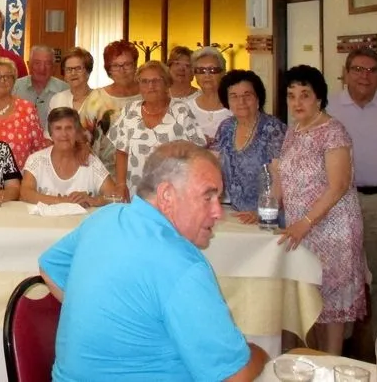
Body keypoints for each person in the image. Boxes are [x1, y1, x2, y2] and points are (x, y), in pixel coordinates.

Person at [38, 141, 268, 381]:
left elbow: (49, 268)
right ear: (167, 196)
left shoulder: (106, 217)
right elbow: (233, 376)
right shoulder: (182, 266)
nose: (218, 212)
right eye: (207, 197)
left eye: (219, 198)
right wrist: (260, 354)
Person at [276, 64, 366, 354]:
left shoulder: (333, 131)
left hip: (332, 229)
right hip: (303, 229)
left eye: (305, 95)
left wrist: (305, 221)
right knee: (310, 303)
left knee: (332, 305)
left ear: (319, 98)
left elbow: (338, 185)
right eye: (291, 95)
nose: (297, 102)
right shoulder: (295, 130)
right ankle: (313, 367)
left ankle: (334, 364)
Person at [326, 47, 377, 337]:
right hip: (341, 202)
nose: (365, 76)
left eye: (372, 70)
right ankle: (342, 338)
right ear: (346, 74)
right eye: (358, 70)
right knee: (343, 274)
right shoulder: (328, 108)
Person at [109, 61, 205, 198]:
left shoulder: (181, 111)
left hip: (173, 192)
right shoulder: (129, 110)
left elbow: (196, 153)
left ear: (167, 83)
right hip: (134, 192)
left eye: (156, 81)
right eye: (145, 81)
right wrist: (120, 185)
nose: (151, 86)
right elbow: (121, 152)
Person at [212, 70, 286, 219]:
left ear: (258, 98)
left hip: (269, 216)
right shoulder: (226, 127)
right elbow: (212, 164)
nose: (241, 102)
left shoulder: (272, 128)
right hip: (236, 213)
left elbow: (280, 177)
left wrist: (263, 213)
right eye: (234, 96)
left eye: (247, 95)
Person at [21, 108, 116, 208]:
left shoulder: (90, 162)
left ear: (76, 133)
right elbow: (25, 193)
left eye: (69, 128)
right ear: (50, 134)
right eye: (58, 128)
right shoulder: (36, 160)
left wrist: (93, 200)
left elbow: (114, 195)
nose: (64, 134)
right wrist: (64, 201)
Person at [78, 40, 141, 175]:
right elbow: (81, 138)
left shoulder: (148, 94)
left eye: (127, 64)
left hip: (144, 173)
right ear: (108, 69)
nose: (122, 70)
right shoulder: (97, 98)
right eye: (116, 65)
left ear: (135, 66)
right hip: (105, 175)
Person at [0, 57, 49, 169]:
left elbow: (38, 148)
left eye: (8, 76)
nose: (2, 79)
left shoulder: (27, 109)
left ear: (14, 81)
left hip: (21, 179)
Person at [186, 46, 232, 144]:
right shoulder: (185, 109)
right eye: (201, 70)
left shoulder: (237, 106)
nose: (207, 75)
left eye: (212, 70)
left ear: (223, 73)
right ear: (195, 75)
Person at [13, 45, 68, 127]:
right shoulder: (15, 87)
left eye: (48, 64)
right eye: (37, 63)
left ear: (54, 68)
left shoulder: (64, 89)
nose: (42, 68)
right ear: (29, 65)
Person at [48, 47, 93, 113]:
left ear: (88, 71)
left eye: (78, 68)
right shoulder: (57, 100)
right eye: (68, 69)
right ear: (64, 75)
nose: (73, 73)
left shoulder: (99, 100)